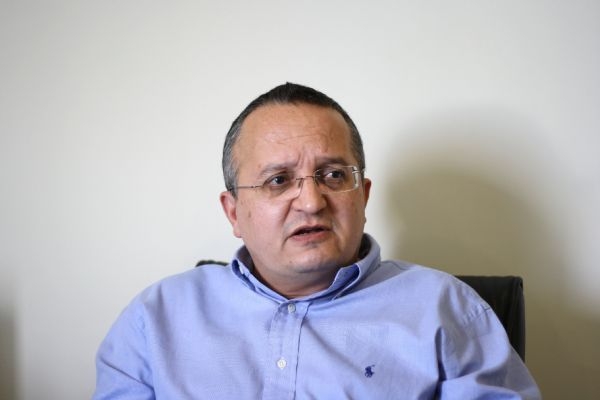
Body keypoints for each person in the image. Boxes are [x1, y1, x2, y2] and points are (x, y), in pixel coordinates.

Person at [93, 83, 541, 399]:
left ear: (363, 196)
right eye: (278, 180)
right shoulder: (154, 321)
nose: (310, 202)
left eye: (333, 175)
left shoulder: (449, 311)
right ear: (234, 212)